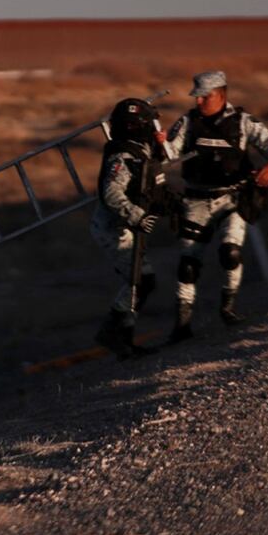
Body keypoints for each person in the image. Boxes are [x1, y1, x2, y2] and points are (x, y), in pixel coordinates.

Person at [163, 71, 268, 342]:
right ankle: (182, 325)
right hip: (196, 199)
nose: (198, 102)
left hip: (233, 198)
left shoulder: (243, 122)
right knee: (187, 264)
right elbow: (171, 154)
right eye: (196, 97)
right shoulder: (188, 121)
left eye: (204, 97)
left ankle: (227, 308)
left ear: (220, 94)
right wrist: (160, 143)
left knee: (230, 252)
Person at [91, 97, 173, 359]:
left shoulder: (137, 149)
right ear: (136, 126)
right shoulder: (123, 155)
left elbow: (148, 173)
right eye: (150, 124)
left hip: (125, 227)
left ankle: (124, 343)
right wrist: (136, 215)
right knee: (141, 281)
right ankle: (112, 332)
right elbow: (112, 193)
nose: (154, 129)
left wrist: (160, 148)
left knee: (138, 282)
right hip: (114, 229)